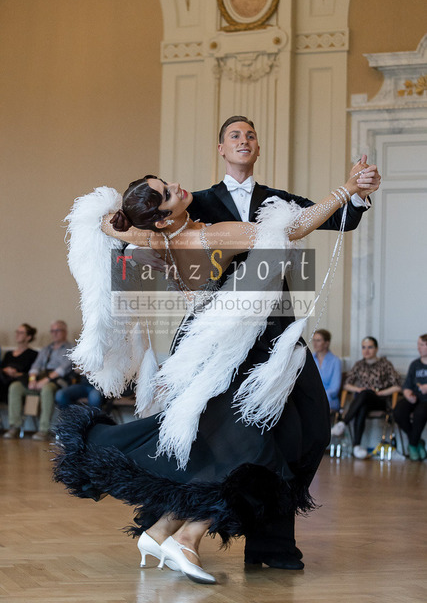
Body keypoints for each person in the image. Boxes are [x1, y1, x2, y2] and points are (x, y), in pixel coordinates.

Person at [53, 149, 379, 584]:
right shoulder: (211, 235)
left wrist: (122, 220)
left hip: (222, 342)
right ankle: (186, 536)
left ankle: (164, 530)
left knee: (231, 440)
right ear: (162, 218)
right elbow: (292, 228)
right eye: (167, 194)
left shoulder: (155, 238)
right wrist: (346, 188)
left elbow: (107, 224)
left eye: (166, 184)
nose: (177, 187)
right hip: (238, 345)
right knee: (245, 446)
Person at [331, 336, 401, 459]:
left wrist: (381, 393)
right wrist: (357, 389)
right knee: (362, 402)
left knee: (365, 394)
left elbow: (397, 387)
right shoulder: (359, 364)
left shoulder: (385, 364)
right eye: (364, 347)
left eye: (370, 347)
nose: (366, 350)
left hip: (380, 400)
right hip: (363, 399)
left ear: (376, 349)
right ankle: (357, 446)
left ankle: (343, 423)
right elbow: (347, 385)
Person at [4, 320, 73, 441]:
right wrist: (32, 379)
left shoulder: (70, 348)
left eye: (57, 330)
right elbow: (35, 366)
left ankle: (43, 429)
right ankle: (14, 426)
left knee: (47, 389)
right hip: (41, 377)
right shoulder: (46, 349)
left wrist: (46, 380)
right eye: (52, 331)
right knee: (15, 386)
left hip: (58, 380)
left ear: (65, 332)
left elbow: (63, 369)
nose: (54, 333)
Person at [394, 334, 427, 461]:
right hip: (415, 397)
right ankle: (417, 441)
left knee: (420, 413)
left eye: (422, 345)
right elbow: (407, 385)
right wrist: (408, 394)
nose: (419, 348)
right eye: (418, 344)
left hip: (425, 401)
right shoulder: (415, 364)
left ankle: (412, 445)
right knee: (398, 411)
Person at [0, 324, 38, 404]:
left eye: (21, 333)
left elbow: (32, 373)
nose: (17, 334)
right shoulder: (8, 354)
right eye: (17, 332)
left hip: (19, 381)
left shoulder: (33, 354)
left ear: (28, 337)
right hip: (3, 379)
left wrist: (16, 374)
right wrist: (6, 370)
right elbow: (2, 368)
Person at [312, 329, 342, 412]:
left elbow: (334, 389)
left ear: (326, 343)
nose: (314, 343)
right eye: (314, 340)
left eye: (318, 340)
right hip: (311, 398)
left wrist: (319, 396)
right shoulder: (309, 360)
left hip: (329, 399)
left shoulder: (335, 361)